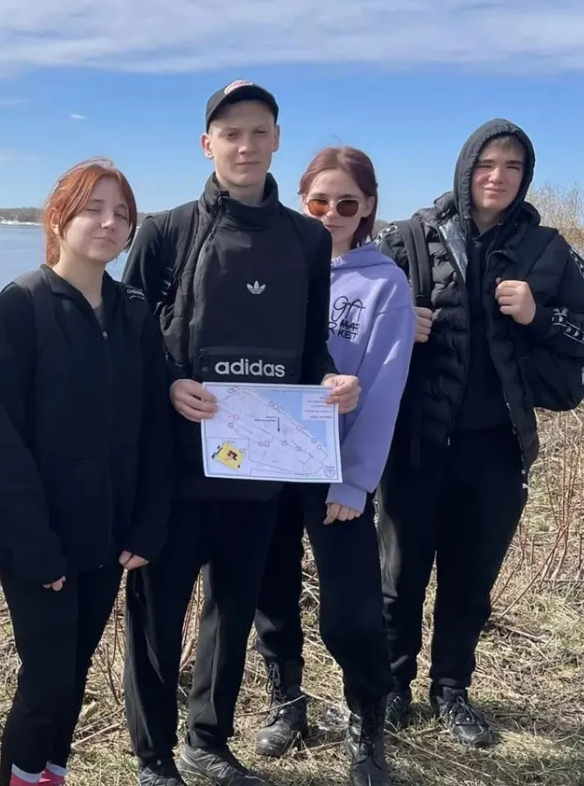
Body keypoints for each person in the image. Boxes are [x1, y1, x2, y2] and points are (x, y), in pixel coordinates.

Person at [120, 80, 361, 786]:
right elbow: (131, 339)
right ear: (208, 144)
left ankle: (207, 742)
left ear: (277, 139)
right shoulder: (166, 232)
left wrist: (332, 382)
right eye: (231, 133)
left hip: (259, 461)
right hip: (174, 462)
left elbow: (312, 348)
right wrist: (169, 383)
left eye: (259, 131)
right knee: (158, 613)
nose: (245, 145)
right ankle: (154, 756)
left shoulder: (306, 238)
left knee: (230, 611)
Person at [374, 119, 584, 748]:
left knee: (470, 579)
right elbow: (345, 310)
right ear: (465, 169)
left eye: (513, 167)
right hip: (414, 444)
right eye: (487, 164)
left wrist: (541, 315)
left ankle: (451, 690)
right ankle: (393, 687)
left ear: (525, 177)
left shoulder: (547, 248)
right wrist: (398, 323)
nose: (498, 177)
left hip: (497, 449)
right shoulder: (407, 237)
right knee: (398, 577)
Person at [0, 158, 174, 786]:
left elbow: (154, 427)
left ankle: (50, 774)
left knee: (74, 674)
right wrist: (36, 547)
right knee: (46, 679)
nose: (109, 223)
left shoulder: (132, 312)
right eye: (93, 209)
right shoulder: (22, 305)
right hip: (39, 538)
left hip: (107, 534)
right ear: (58, 219)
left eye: (122, 214)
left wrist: (148, 524)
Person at [245, 147, 413, 786]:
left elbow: (384, 389)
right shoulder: (273, 267)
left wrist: (355, 479)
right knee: (271, 588)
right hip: (265, 457)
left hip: (335, 470)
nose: (332, 213)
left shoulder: (385, 285)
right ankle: (287, 701)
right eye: (319, 201)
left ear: (367, 207)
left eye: (347, 202)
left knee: (351, 605)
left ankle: (367, 722)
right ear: (301, 200)